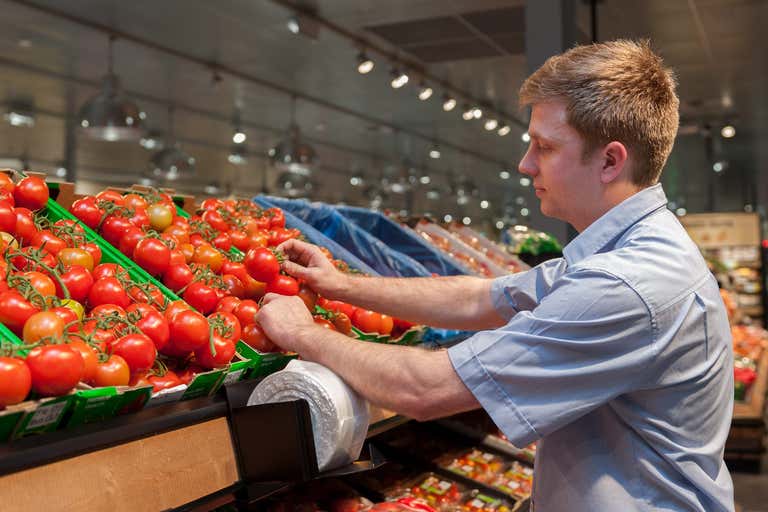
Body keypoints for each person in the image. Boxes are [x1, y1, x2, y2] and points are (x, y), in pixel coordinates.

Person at [256, 40, 735, 511]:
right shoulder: (626, 251)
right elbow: (479, 298)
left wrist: (303, 332)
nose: (526, 164)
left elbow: (425, 390)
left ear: (610, 161)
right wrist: (341, 284)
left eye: (544, 147)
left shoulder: (625, 284)